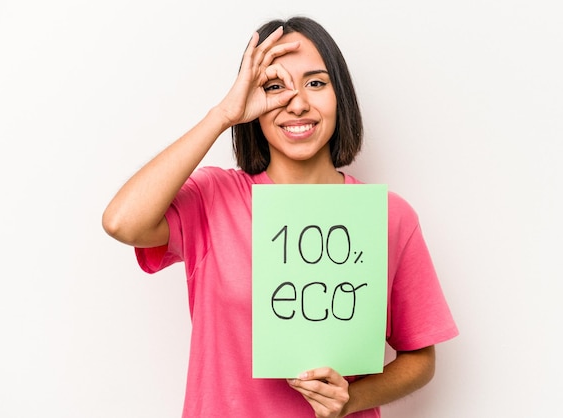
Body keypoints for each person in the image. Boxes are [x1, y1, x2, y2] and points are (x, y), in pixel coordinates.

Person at [102, 16, 458, 418]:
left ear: (340, 95)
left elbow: (420, 357)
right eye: (275, 87)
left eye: (316, 83)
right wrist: (222, 114)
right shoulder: (214, 198)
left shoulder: (389, 215)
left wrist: (351, 400)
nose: (298, 102)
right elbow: (122, 222)